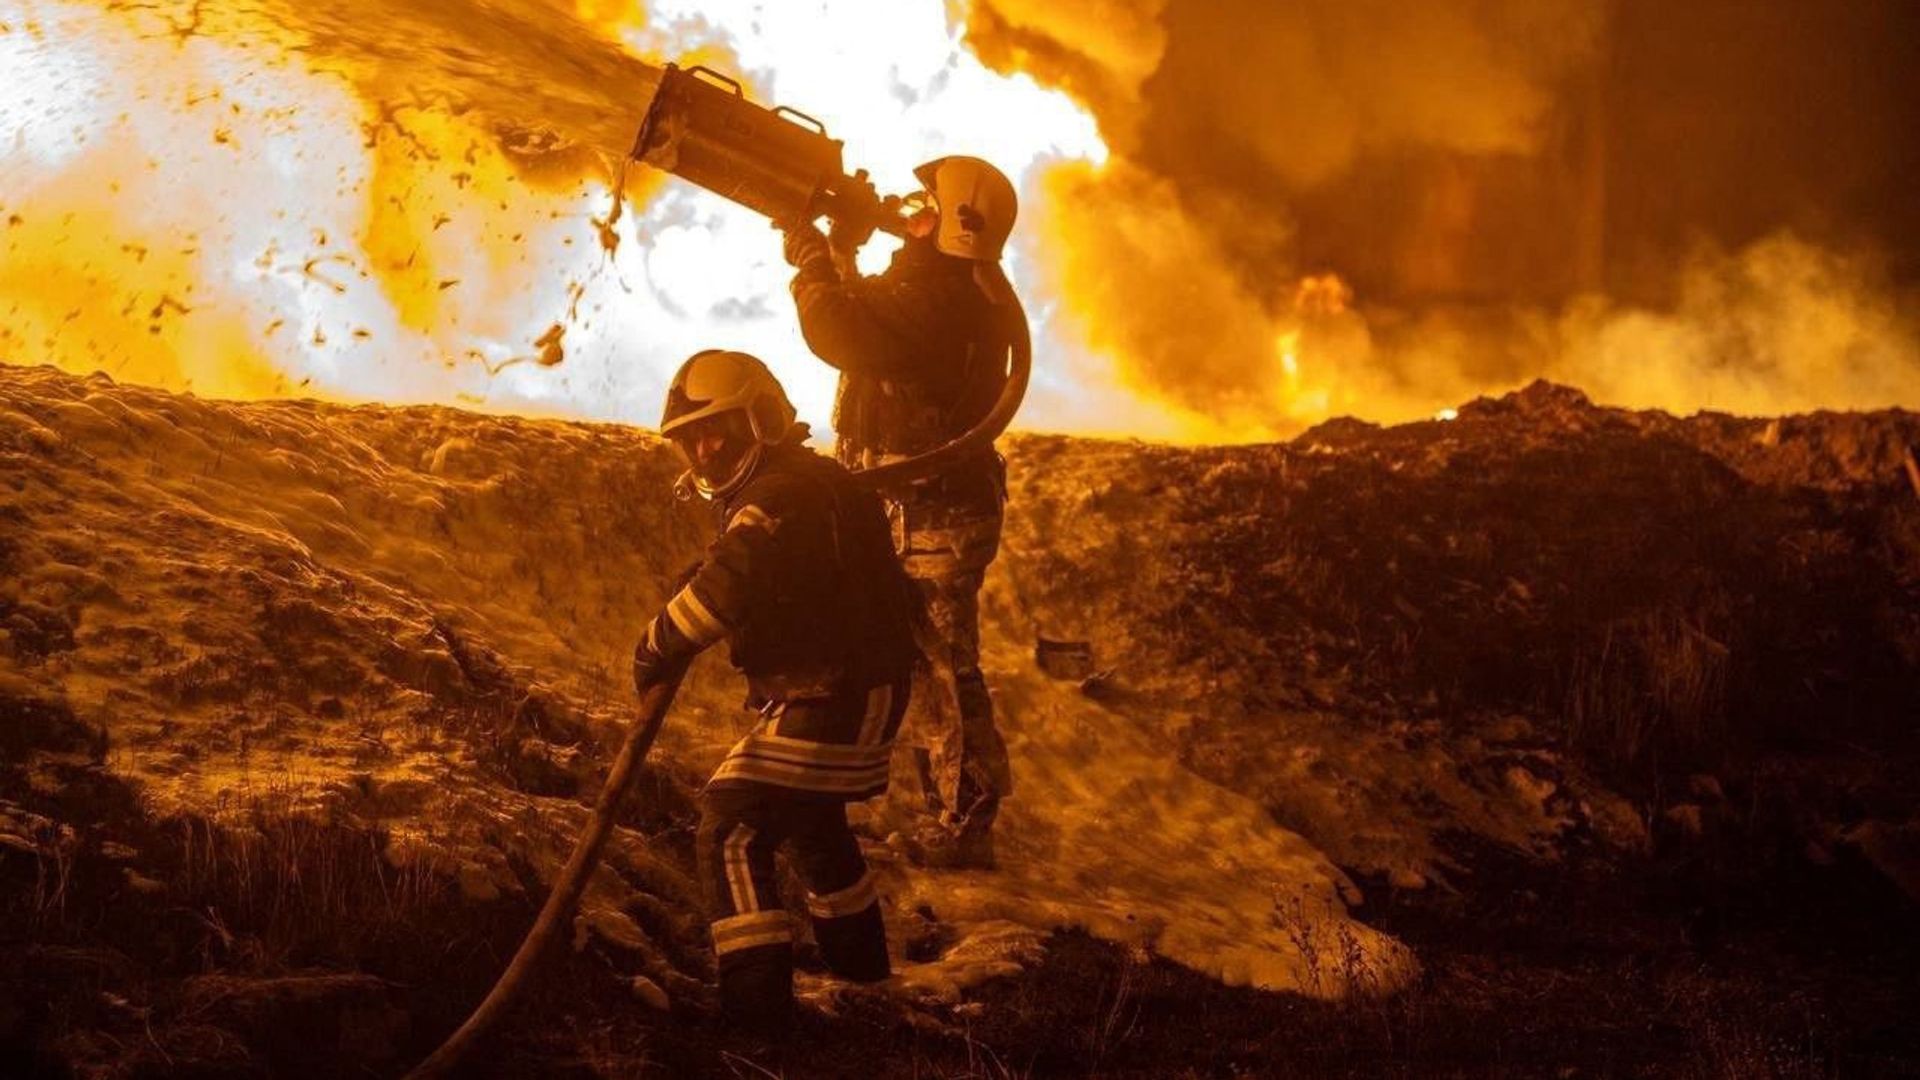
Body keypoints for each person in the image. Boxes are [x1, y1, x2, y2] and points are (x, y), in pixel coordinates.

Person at [631, 349, 920, 1035]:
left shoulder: (780, 495)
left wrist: (656, 644)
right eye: (692, 438)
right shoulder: (794, 485)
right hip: (849, 687)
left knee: (732, 826)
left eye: (717, 430)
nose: (704, 450)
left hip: (838, 693)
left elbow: (730, 584)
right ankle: (864, 980)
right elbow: (755, 567)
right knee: (813, 825)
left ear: (760, 417)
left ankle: (755, 1018)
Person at [778, 155, 1021, 869]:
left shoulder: (937, 297)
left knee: (943, 667)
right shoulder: (949, 286)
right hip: (929, 507)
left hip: (932, 515)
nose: (907, 210)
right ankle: (943, 809)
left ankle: (964, 823)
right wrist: (843, 248)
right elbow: (871, 316)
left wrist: (812, 263)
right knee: (924, 662)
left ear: (953, 224)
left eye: (923, 205)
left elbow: (839, 329)